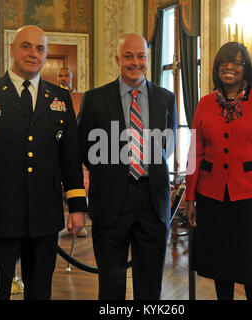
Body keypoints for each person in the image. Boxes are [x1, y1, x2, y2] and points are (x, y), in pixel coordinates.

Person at [0, 25, 87, 300]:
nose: (33, 53)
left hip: (44, 219)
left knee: (40, 292)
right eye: (26, 46)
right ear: (12, 49)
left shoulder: (60, 98)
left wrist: (77, 207)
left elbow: (70, 160)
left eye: (40, 49)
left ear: (46, 54)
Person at [78, 33, 178, 300]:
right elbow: (85, 148)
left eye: (141, 56)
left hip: (153, 201)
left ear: (148, 58)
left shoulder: (166, 99)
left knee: (150, 283)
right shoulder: (95, 99)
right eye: (129, 56)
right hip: (110, 201)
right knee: (111, 284)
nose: (136, 62)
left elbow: (168, 144)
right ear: (117, 59)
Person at [185, 42, 252, 301]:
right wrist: (190, 198)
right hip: (211, 197)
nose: (229, 67)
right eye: (224, 62)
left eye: (237, 62)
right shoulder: (205, 103)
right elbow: (194, 153)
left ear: (245, 68)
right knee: (221, 266)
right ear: (216, 68)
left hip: (251, 199)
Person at [56, 66, 86, 238]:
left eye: (66, 76)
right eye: (60, 76)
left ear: (72, 78)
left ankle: (77, 218)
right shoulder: (53, 96)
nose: (63, 79)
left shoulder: (79, 98)